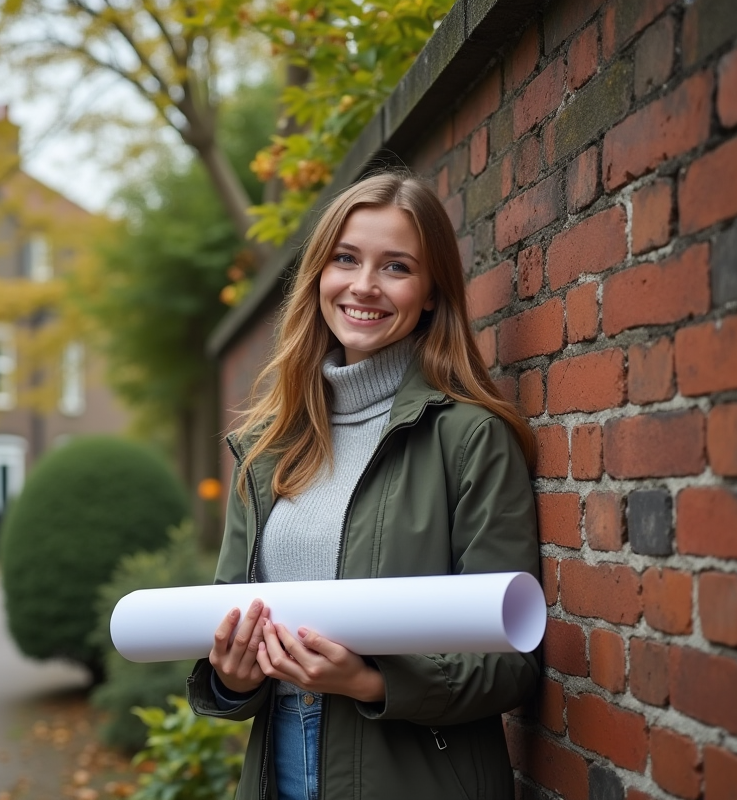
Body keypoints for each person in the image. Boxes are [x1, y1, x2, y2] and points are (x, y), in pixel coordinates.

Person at [186, 171, 541, 800]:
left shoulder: (468, 438)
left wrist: (370, 680)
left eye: (396, 266)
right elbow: (227, 625)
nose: (364, 286)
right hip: (280, 768)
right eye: (345, 259)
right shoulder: (267, 448)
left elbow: (511, 662)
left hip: (416, 777)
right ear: (319, 274)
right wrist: (231, 678)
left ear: (432, 292)